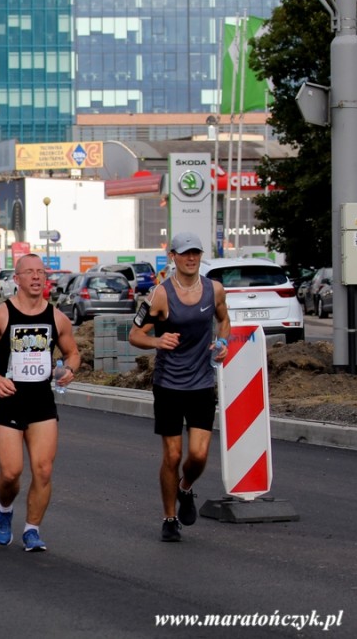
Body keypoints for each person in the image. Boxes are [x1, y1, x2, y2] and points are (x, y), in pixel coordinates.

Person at [0, 253, 80, 552]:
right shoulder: (2, 314)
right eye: (28, 272)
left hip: (42, 402)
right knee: (11, 473)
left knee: (43, 470)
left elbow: (73, 352)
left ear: (46, 278)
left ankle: (32, 529)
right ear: (16, 279)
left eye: (40, 272)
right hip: (9, 401)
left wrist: (70, 369)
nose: (35, 277)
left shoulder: (57, 317)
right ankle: (5, 510)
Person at [128, 232, 230, 543]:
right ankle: (169, 517)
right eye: (185, 253)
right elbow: (134, 334)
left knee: (198, 456)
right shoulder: (159, 295)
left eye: (196, 253)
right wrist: (157, 340)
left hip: (201, 382)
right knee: (172, 456)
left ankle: (185, 488)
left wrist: (223, 342)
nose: (191, 258)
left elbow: (224, 321)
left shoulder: (214, 290)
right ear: (173, 256)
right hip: (169, 385)